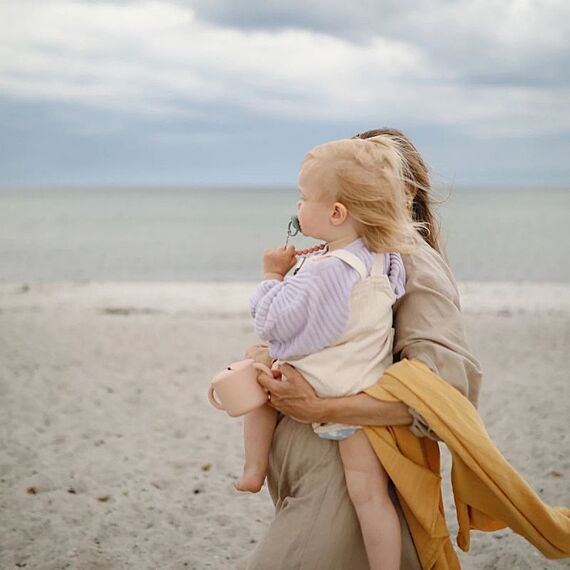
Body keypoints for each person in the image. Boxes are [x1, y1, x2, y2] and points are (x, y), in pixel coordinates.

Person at [241, 128, 483, 570]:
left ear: (406, 191)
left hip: (340, 479)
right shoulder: (352, 253)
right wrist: (264, 356)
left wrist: (322, 408)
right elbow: (323, 332)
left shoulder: (410, 259)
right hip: (318, 474)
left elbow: (447, 391)